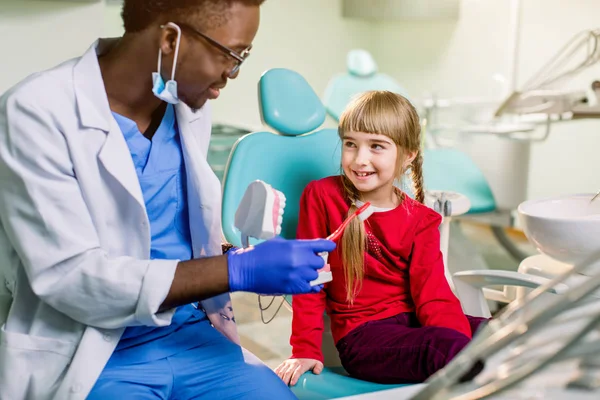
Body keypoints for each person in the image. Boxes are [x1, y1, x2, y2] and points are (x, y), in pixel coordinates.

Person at [0, 1, 335, 399]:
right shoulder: (35, 112)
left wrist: (241, 255)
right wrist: (235, 270)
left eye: (243, 57)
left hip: (188, 335)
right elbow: (74, 278)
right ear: (170, 39)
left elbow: (170, 233)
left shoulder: (188, 105)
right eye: (230, 54)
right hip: (91, 349)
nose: (233, 72)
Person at [274, 91, 487, 387]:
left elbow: (433, 294)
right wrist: (305, 349)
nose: (360, 159)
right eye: (351, 144)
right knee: (447, 348)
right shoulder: (322, 196)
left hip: (414, 323)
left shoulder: (422, 219)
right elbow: (309, 280)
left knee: (504, 333)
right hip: (364, 336)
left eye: (376, 146)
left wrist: (458, 341)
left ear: (407, 155)